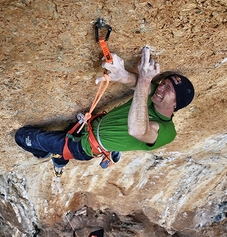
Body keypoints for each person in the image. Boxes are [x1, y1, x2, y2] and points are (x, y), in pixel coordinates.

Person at [15, 47, 195, 176]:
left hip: (83, 147)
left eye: (168, 89)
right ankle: (55, 158)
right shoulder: (153, 94)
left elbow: (138, 130)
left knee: (23, 136)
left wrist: (145, 80)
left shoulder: (167, 131)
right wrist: (121, 73)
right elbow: (135, 82)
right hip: (85, 125)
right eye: (163, 83)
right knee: (60, 147)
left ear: (176, 103)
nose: (160, 88)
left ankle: (43, 153)